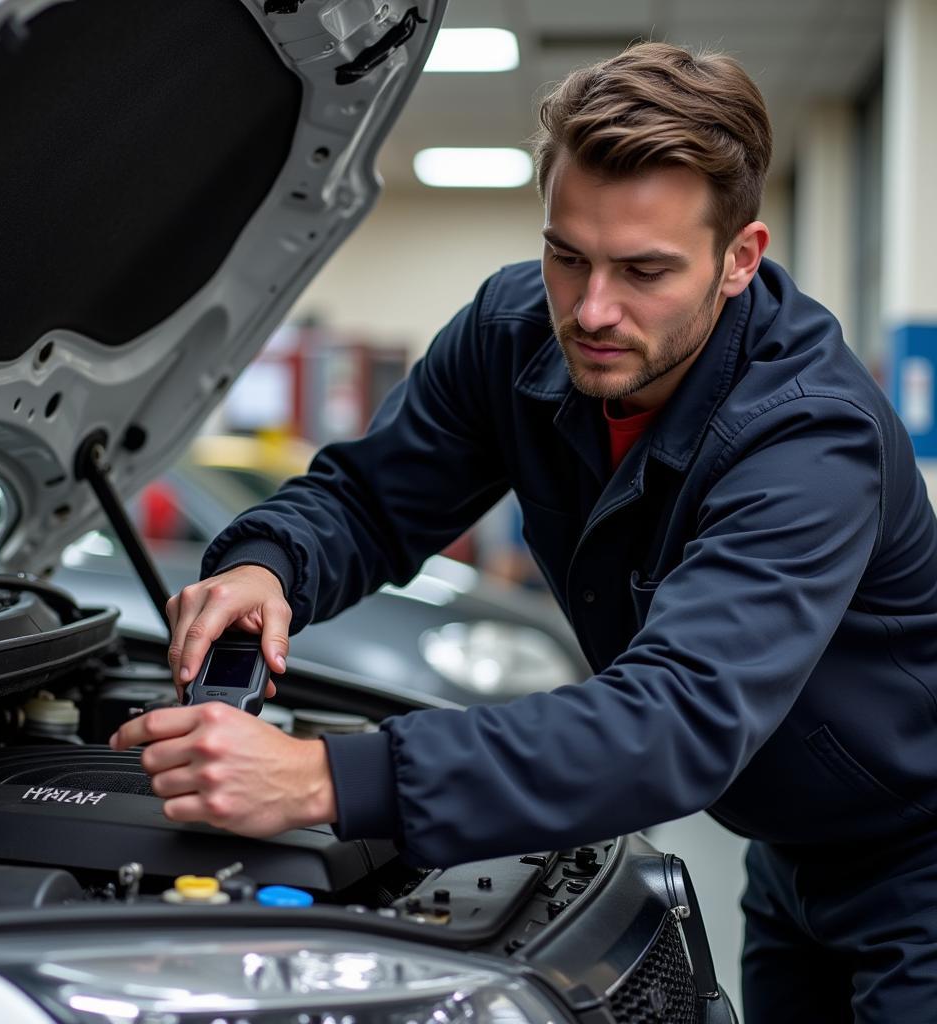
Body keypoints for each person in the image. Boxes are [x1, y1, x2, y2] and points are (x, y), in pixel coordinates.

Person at [110, 42, 937, 1022]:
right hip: (786, 841)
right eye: (566, 255)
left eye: (642, 271)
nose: (591, 310)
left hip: (917, 852)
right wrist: (267, 559)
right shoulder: (513, 330)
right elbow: (373, 499)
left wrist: (325, 777)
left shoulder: (807, 438)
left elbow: (674, 716)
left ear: (738, 261)